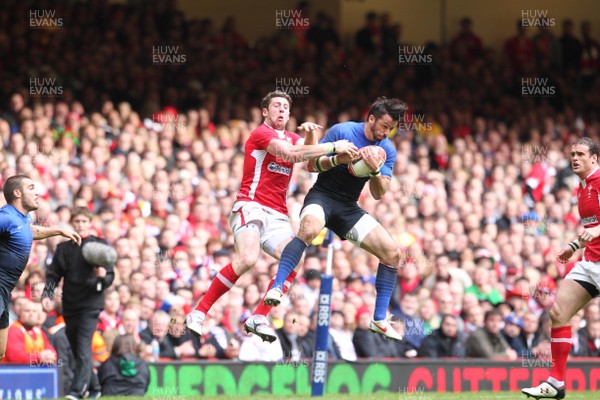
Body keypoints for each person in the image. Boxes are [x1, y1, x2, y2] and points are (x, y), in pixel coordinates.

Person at [185, 91, 358, 342]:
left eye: (286, 107)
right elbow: (291, 154)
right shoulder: (261, 134)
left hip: (277, 214)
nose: (282, 110)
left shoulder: (292, 136)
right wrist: (334, 146)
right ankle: (199, 312)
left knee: (296, 257)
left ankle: (258, 317)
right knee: (248, 258)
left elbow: (311, 156)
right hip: (251, 204)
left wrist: (310, 134)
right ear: (265, 111)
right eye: (276, 106)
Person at [265, 97, 408, 342]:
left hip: (348, 208)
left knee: (393, 253)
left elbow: (379, 193)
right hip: (322, 196)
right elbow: (310, 165)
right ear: (371, 118)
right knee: (308, 229)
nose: (386, 133)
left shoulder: (387, 149)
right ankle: (277, 286)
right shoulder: (342, 131)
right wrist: (337, 158)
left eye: (391, 129)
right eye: (384, 126)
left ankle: (379, 319)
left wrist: (374, 170)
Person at [523, 138, 600, 399]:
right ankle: (556, 383)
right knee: (558, 313)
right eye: (572, 154)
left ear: (595, 158)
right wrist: (574, 245)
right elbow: (592, 226)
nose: (575, 158)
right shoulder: (582, 187)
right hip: (590, 262)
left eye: (581, 154)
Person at [0, 175, 80, 362]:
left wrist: (59, 230)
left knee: (0, 351)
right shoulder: (6, 217)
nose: (37, 193)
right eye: (31, 188)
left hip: (5, 291)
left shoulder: (22, 218)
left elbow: (30, 230)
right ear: (17, 193)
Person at [41, 207, 115, 400]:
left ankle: (76, 391)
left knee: (83, 347)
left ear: (90, 223)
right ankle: (96, 387)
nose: (80, 225)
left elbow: (110, 275)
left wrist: (103, 277)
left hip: (91, 305)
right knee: (76, 349)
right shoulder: (63, 248)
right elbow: (53, 274)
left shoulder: (99, 245)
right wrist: (47, 294)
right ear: (72, 223)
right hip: (70, 304)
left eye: (84, 221)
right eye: (77, 221)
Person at [3, 299, 58, 364]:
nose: (31, 314)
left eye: (34, 311)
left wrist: (50, 356)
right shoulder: (13, 330)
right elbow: (15, 357)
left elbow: (51, 351)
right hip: (13, 372)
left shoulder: (39, 331)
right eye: (27, 311)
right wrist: (39, 357)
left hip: (34, 371)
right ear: (20, 313)